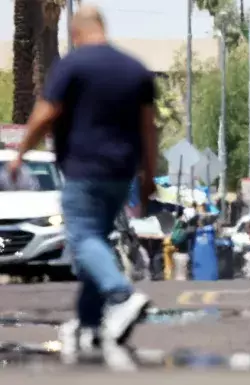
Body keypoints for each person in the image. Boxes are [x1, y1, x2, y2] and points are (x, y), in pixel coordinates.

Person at [6, 5, 157, 370]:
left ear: (75, 34)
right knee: (95, 243)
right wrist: (148, 175)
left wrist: (21, 152)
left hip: (83, 168)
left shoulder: (73, 66)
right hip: (121, 172)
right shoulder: (134, 68)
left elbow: (46, 112)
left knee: (81, 240)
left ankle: (120, 295)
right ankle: (90, 323)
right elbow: (149, 129)